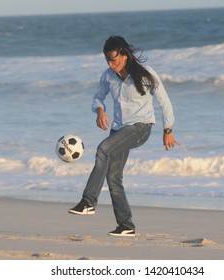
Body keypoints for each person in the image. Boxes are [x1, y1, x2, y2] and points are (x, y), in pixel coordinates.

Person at [68, 35, 179, 237]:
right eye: (108, 60)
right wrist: (100, 111)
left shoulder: (146, 74)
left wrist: (168, 130)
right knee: (113, 178)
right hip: (119, 130)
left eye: (114, 59)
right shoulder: (108, 76)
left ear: (125, 55)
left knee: (103, 149)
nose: (111, 64)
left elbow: (164, 101)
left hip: (140, 128)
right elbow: (97, 97)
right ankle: (126, 225)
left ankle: (88, 201)